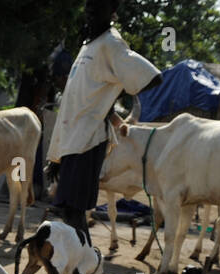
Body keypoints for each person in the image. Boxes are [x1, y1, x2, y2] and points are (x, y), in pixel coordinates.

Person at [46, 0, 160, 246]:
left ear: (112, 13)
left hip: (88, 141)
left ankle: (86, 268)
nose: (90, 10)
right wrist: (55, 156)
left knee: (75, 212)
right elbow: (75, 101)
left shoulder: (112, 44)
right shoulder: (89, 45)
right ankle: (80, 268)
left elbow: (152, 77)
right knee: (66, 211)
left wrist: (115, 92)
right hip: (71, 142)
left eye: (97, 7)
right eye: (88, 5)